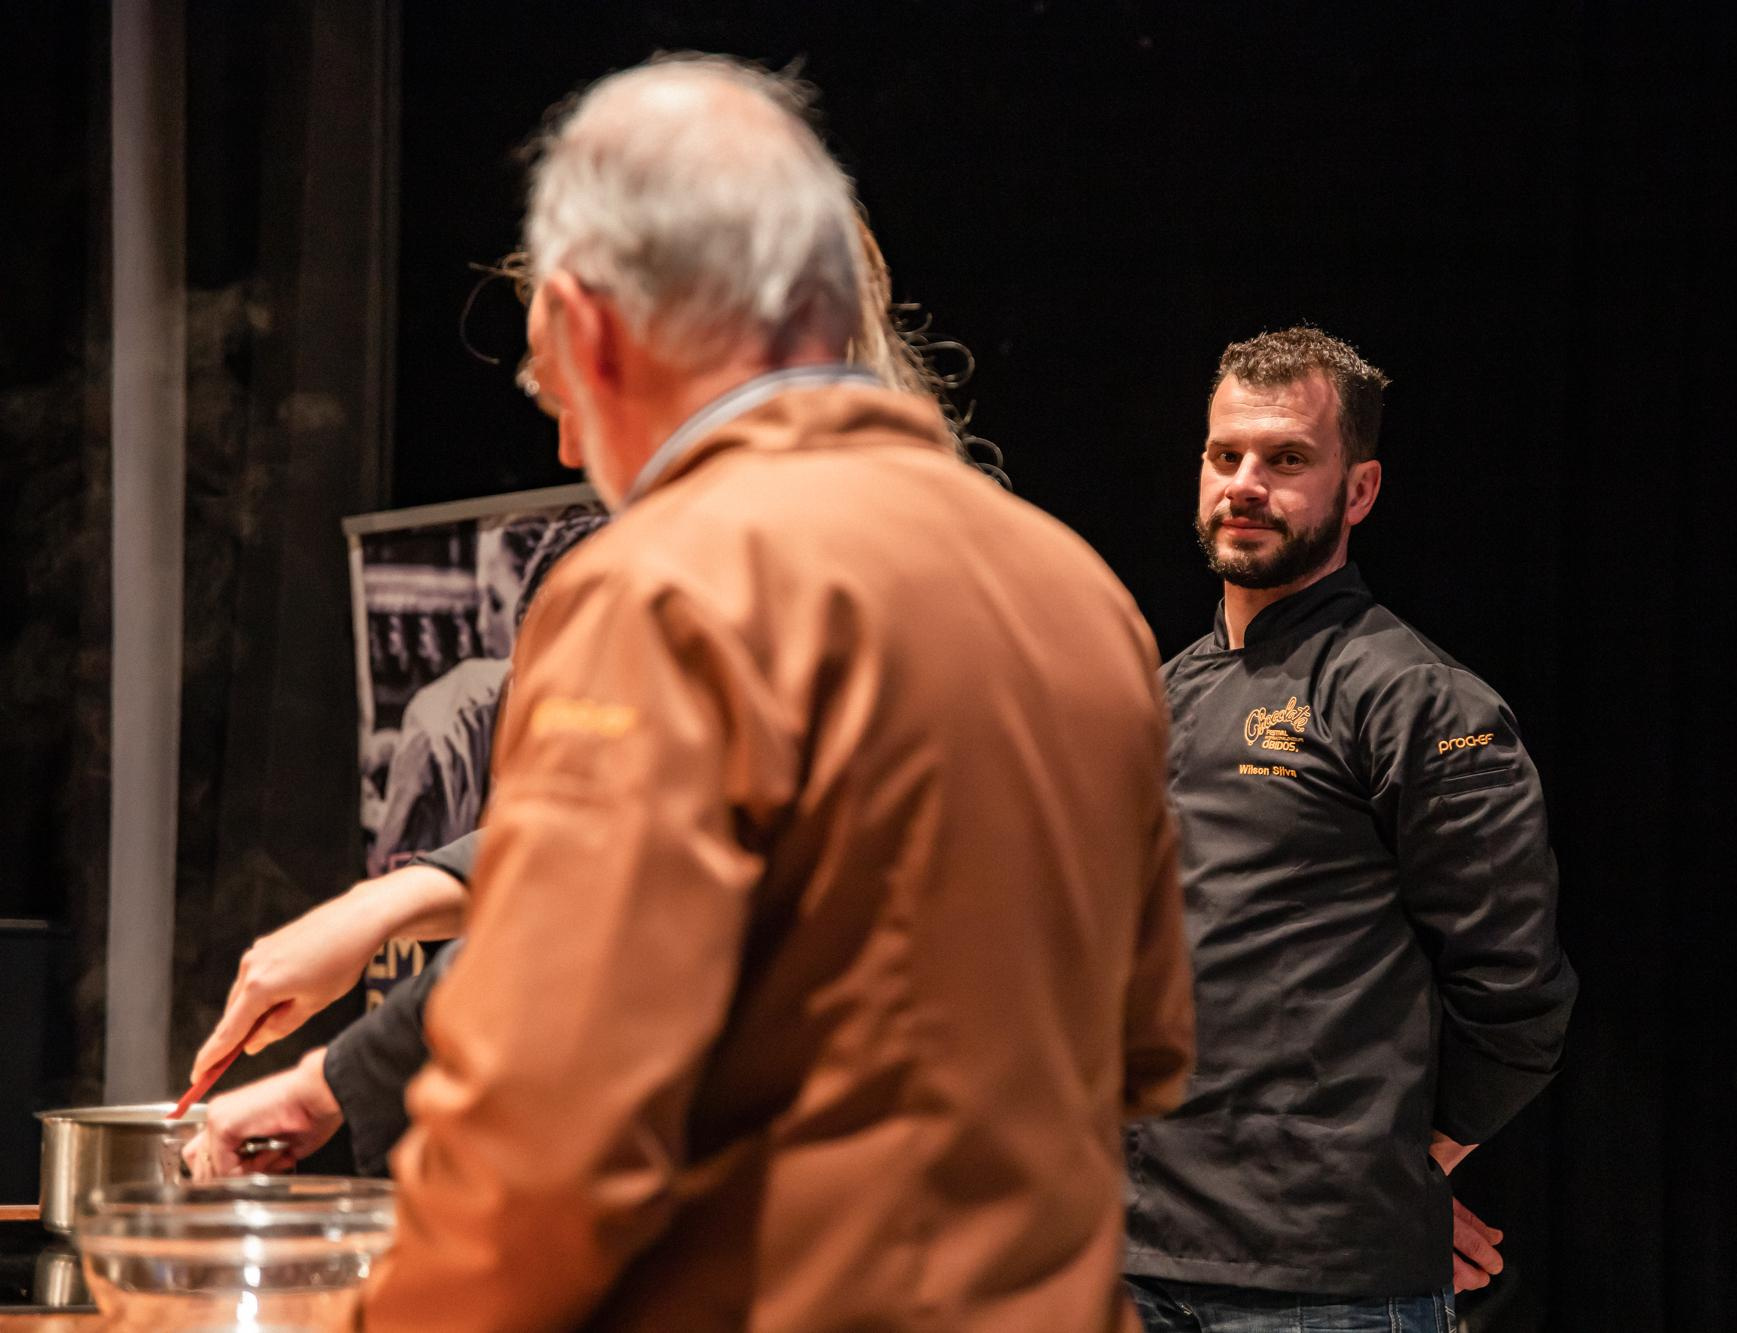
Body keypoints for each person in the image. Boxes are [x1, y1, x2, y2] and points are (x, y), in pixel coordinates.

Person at [354, 54, 1188, 1332]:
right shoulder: (1081, 595)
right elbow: (1147, 1046)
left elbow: (541, 1139)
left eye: (547, 390)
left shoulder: (657, 589)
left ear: (586, 328)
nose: (567, 443)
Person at [183, 210, 1011, 1186]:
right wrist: (390, 904)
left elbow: (606, 900)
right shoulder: (1015, 573)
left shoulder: (727, 591)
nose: (570, 448)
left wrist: (323, 1085)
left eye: (573, 392)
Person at [1121, 327, 1577, 1332]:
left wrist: (1398, 1171)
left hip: (1319, 1288)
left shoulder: (1416, 697)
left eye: (1286, 459)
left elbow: (1516, 996)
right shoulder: (1157, 692)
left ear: (1358, 490)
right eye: (1223, 455)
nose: (1244, 483)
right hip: (1128, 1254)